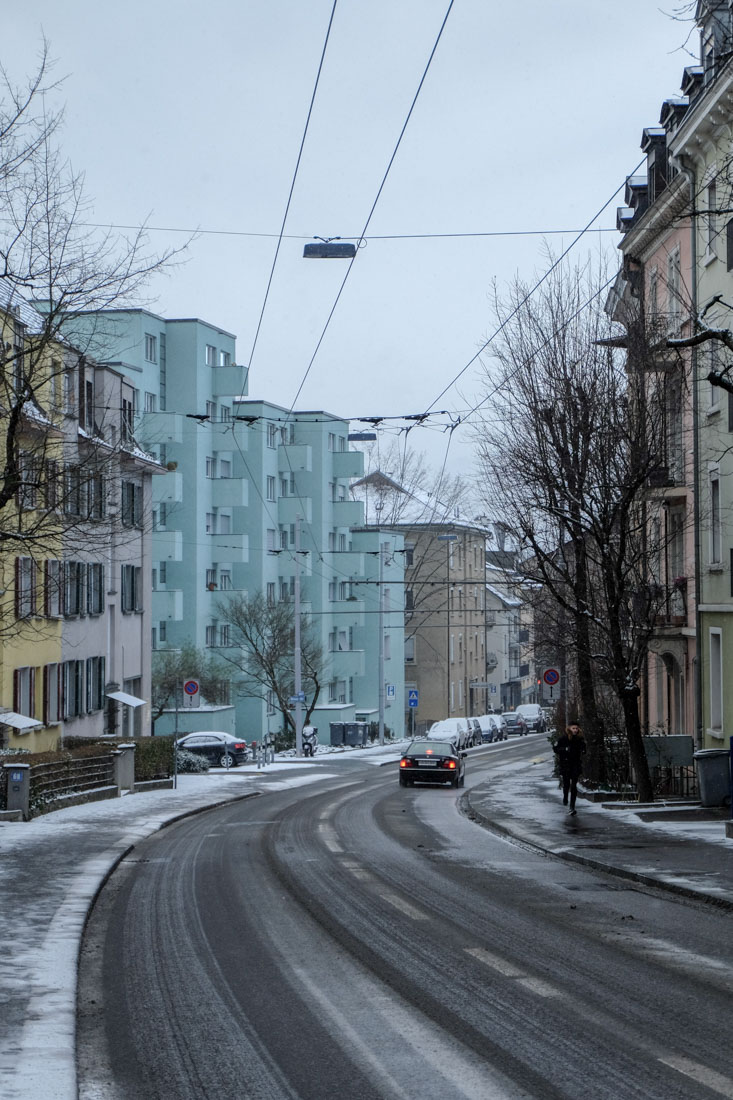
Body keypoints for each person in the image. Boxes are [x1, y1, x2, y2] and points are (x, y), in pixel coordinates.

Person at [553, 723, 586, 815]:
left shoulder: (579, 739)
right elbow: (555, 749)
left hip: (575, 764)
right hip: (565, 764)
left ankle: (572, 806)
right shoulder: (563, 739)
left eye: (576, 728)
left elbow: (583, 747)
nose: (575, 730)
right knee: (566, 783)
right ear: (569, 729)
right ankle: (565, 796)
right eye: (573, 728)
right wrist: (564, 749)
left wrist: (583, 749)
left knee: (574, 785)